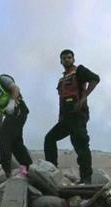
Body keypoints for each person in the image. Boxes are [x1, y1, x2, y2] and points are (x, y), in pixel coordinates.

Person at [44, 49, 100, 184]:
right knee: (49, 138)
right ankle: (52, 172)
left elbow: (95, 79)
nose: (67, 60)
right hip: (66, 117)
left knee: (80, 145)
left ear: (73, 59)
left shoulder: (79, 71)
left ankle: (86, 178)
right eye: (64, 58)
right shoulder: (62, 79)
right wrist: (60, 118)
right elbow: (62, 100)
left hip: (78, 114)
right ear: (61, 61)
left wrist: (83, 99)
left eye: (69, 57)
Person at [0, 70, 32, 177]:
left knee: (4, 137)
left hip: (18, 110)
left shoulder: (2, 80)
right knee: (16, 143)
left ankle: (5, 171)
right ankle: (26, 169)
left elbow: (15, 88)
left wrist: (12, 102)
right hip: (11, 116)